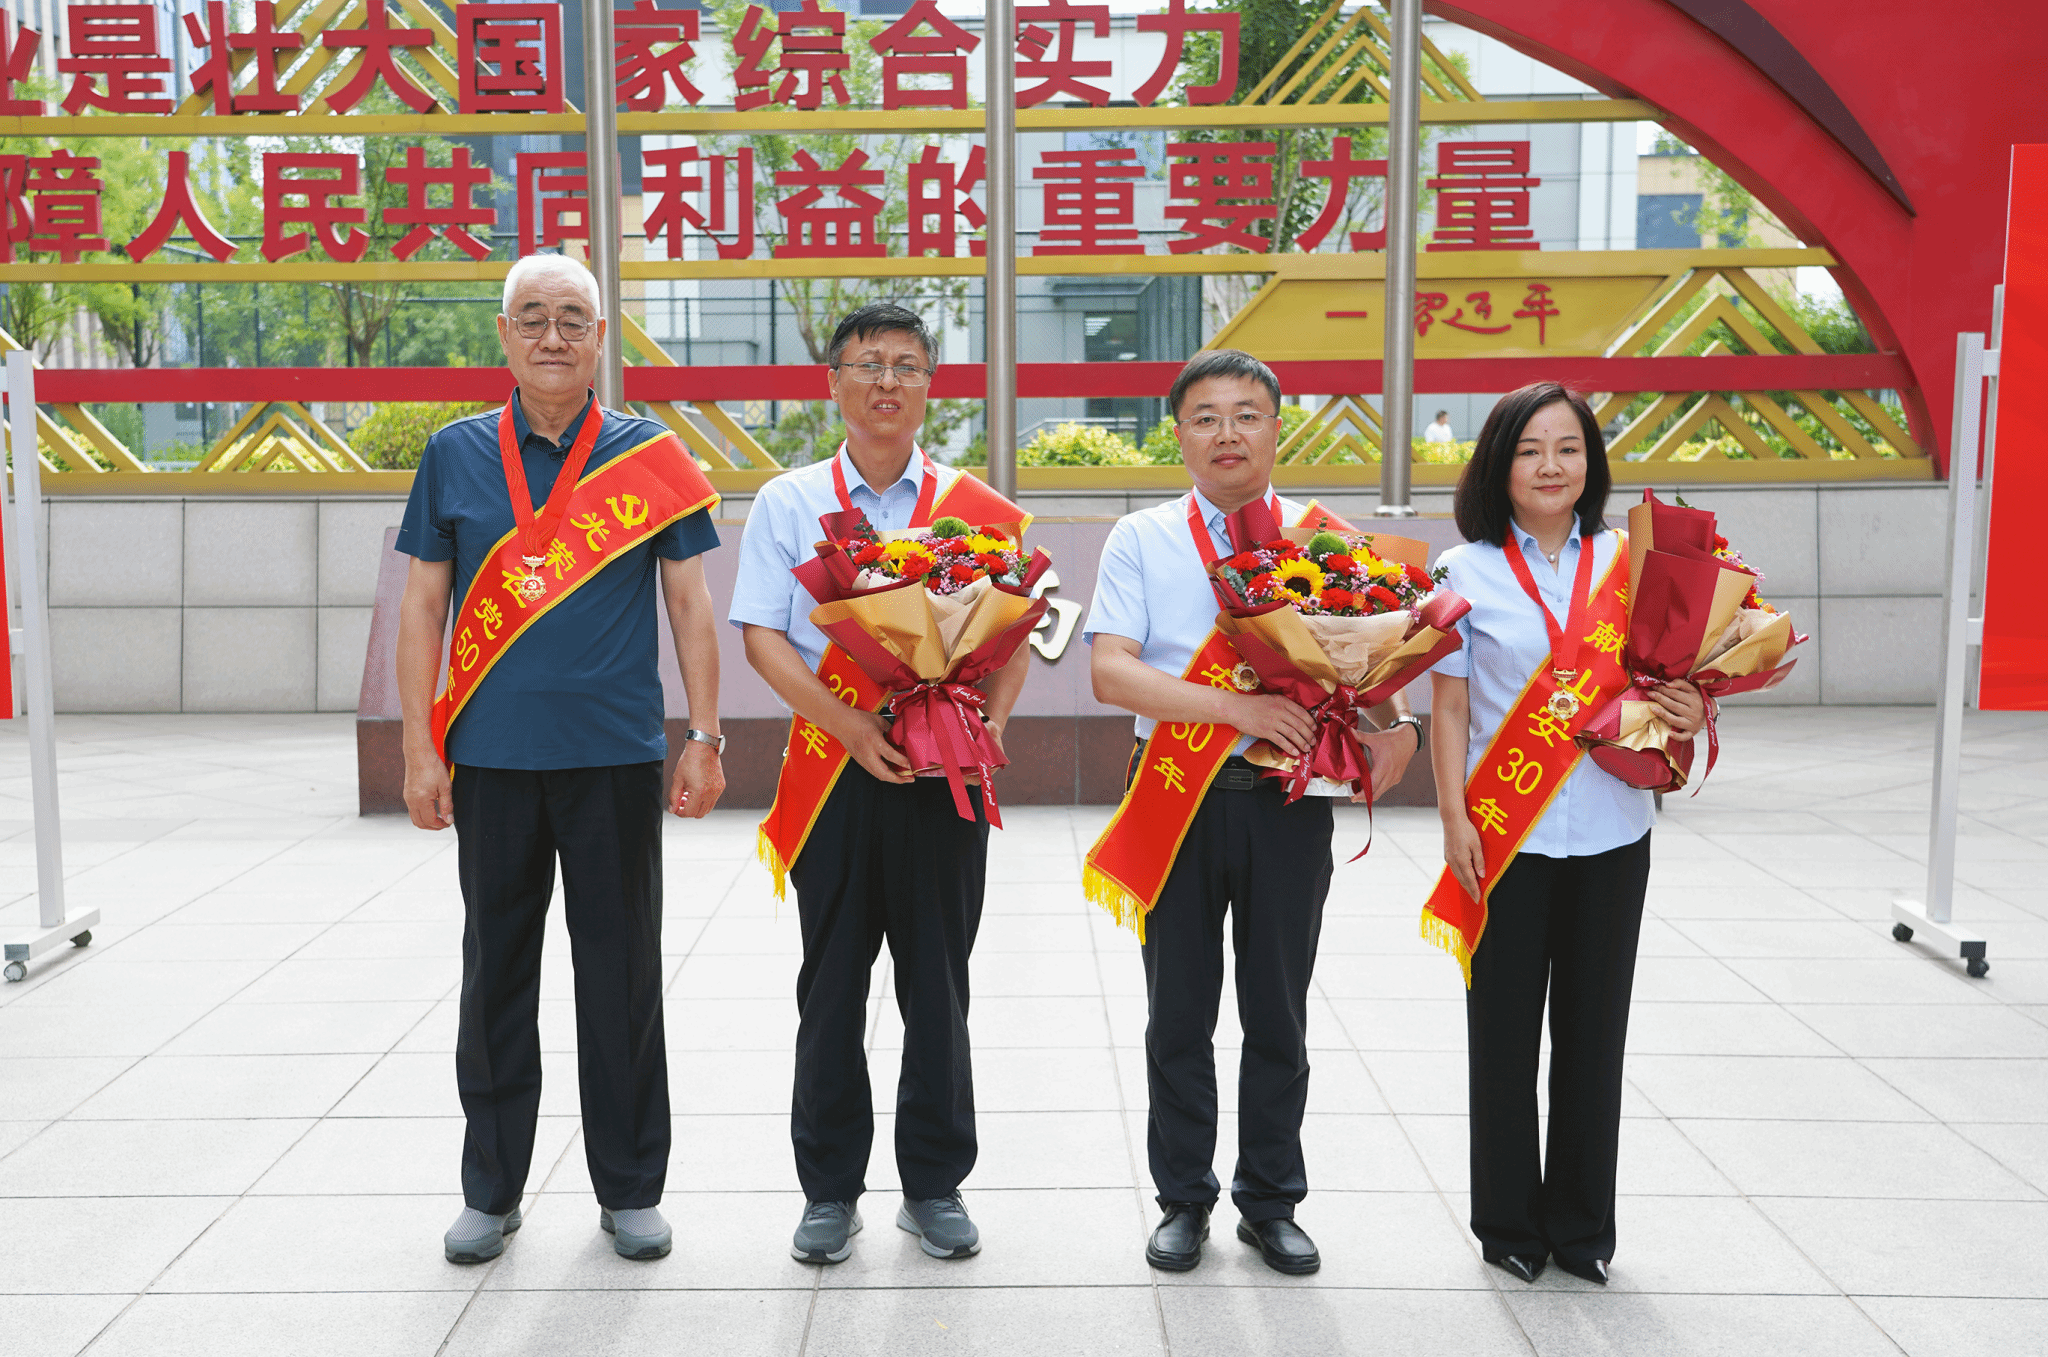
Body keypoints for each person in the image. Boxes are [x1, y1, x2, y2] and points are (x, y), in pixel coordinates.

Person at [395, 253, 727, 1266]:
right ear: (503, 335)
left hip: (616, 760)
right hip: (490, 761)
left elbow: (688, 606)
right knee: (496, 972)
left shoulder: (650, 455)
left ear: (600, 337)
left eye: (571, 318)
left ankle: (629, 1188)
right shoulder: (453, 454)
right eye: (531, 317)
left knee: (620, 976)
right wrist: (420, 747)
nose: (551, 335)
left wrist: (704, 738)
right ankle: (491, 1190)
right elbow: (422, 606)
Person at [1082, 349, 1422, 1276]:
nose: (1226, 432)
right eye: (1205, 416)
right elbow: (1111, 670)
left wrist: (1404, 728)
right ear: (1179, 434)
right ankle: (1183, 1199)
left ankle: (1270, 1200)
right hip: (1176, 800)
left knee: (1279, 1011)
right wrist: (1233, 708)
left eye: (1245, 414)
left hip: (1288, 804)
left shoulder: (1326, 537)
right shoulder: (1142, 538)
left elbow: (1372, 663)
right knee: (1177, 1013)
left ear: (1278, 427)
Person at [730, 302, 1033, 1266]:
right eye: (867, 364)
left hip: (946, 780)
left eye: (906, 364)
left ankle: (935, 1183)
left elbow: (1018, 630)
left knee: (938, 986)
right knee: (831, 987)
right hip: (836, 775)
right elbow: (764, 638)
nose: (887, 382)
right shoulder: (790, 502)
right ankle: (829, 1190)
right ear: (834, 380)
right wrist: (852, 725)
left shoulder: (976, 506)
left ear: (930, 384)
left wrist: (989, 723)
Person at [1423, 382, 1706, 1286]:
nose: (1551, 466)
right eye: (1530, 450)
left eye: (1569, 448)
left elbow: (1676, 679)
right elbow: (1454, 704)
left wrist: (1689, 703)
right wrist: (1454, 820)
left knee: (1594, 1035)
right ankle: (1507, 1221)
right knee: (1502, 1034)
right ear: (1499, 466)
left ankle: (1583, 1228)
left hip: (1614, 831)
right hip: (1506, 833)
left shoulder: (1634, 563)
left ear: (1591, 462)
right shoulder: (1461, 571)